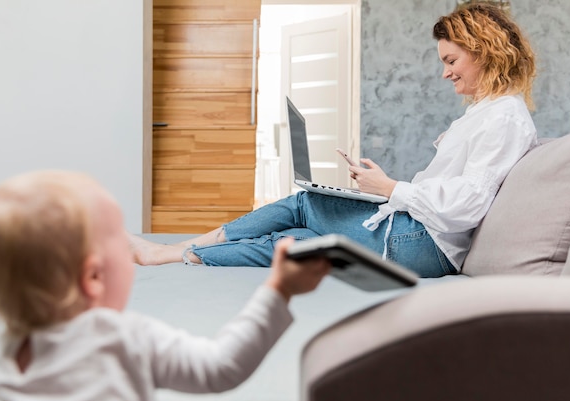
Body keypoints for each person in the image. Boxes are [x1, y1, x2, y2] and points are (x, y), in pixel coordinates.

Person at [129, 3, 538, 277]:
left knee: (305, 204)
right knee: (298, 242)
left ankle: (169, 251)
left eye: (451, 61)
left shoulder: (504, 117)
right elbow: (453, 194)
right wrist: (384, 189)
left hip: (425, 246)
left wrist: (392, 189)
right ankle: (185, 254)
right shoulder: (487, 114)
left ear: (485, 52)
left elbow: (467, 206)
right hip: (418, 236)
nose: (445, 73)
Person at [0, 170, 331, 401]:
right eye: (122, 241)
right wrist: (278, 291)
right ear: (93, 279)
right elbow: (220, 367)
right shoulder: (125, 341)